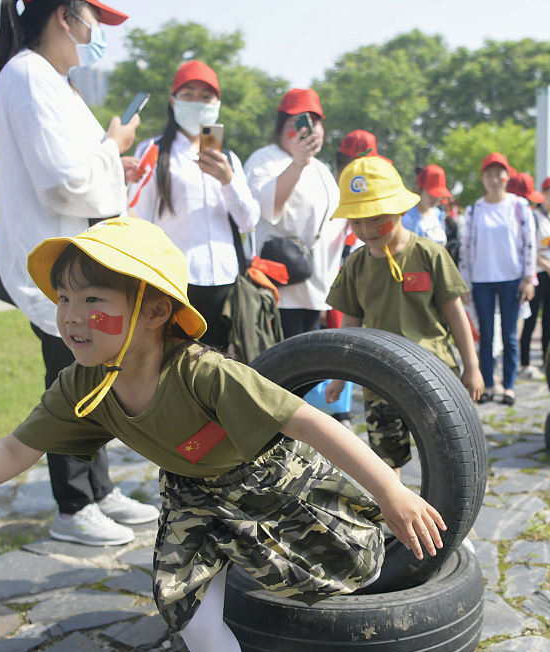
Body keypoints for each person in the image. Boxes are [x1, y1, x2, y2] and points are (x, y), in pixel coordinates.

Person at [0, 216, 445, 652]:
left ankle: (412, 531)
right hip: (192, 497)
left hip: (275, 483)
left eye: (92, 299)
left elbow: (307, 420)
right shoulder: (83, 385)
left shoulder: (207, 374)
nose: (71, 315)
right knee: (182, 600)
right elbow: (13, 449)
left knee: (352, 564)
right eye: (63, 298)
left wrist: (392, 491)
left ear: (156, 311)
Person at [0, 0, 157, 546]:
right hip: (54, 264)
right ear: (64, 15)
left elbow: (77, 170)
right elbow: (59, 179)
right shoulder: (29, 75)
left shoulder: (50, 80)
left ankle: (97, 490)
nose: (98, 31)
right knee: (69, 379)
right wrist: (113, 146)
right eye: (94, 18)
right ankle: (73, 503)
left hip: (74, 258)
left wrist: (111, 162)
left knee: (92, 376)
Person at [323, 157, 483, 475]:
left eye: (377, 219)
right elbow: (351, 323)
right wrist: (339, 376)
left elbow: (455, 313)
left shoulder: (429, 254)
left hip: (434, 373)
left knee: (447, 456)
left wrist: (472, 366)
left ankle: (451, 521)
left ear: (399, 210)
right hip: (380, 376)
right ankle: (395, 517)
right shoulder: (355, 265)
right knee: (386, 458)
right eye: (356, 222)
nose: (367, 230)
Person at [130, 59, 259, 350]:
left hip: (225, 280)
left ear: (217, 104)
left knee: (221, 366)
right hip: (175, 280)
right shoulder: (154, 151)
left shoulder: (228, 157)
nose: (197, 103)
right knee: (176, 363)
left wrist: (227, 180)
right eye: (189, 95)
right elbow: (138, 218)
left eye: (206, 97)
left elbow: (249, 220)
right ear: (173, 101)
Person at [244, 89, 347, 339]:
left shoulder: (322, 169)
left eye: (314, 123)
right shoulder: (264, 159)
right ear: (280, 129)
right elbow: (267, 208)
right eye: (296, 122)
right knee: (280, 365)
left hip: (314, 286)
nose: (306, 130)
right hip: (278, 287)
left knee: (309, 369)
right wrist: (297, 163)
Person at [458, 152, 536, 405]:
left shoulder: (518, 206)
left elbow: (530, 243)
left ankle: (510, 386)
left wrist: (528, 277)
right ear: (483, 179)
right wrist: (465, 282)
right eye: (489, 175)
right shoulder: (475, 209)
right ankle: (488, 384)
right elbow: (466, 246)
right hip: (482, 278)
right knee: (486, 336)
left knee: (510, 335)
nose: (494, 180)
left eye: (498, 174)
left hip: (512, 277)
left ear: (507, 177)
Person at [518, 175, 550, 377]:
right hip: (539, 273)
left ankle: (549, 360)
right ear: (545, 193)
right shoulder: (535, 217)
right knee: (531, 319)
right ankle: (525, 362)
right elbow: (531, 251)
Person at [400, 164, 451, 247]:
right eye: (432, 195)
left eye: (439, 196)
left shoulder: (437, 214)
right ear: (419, 190)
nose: (436, 200)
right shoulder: (407, 218)